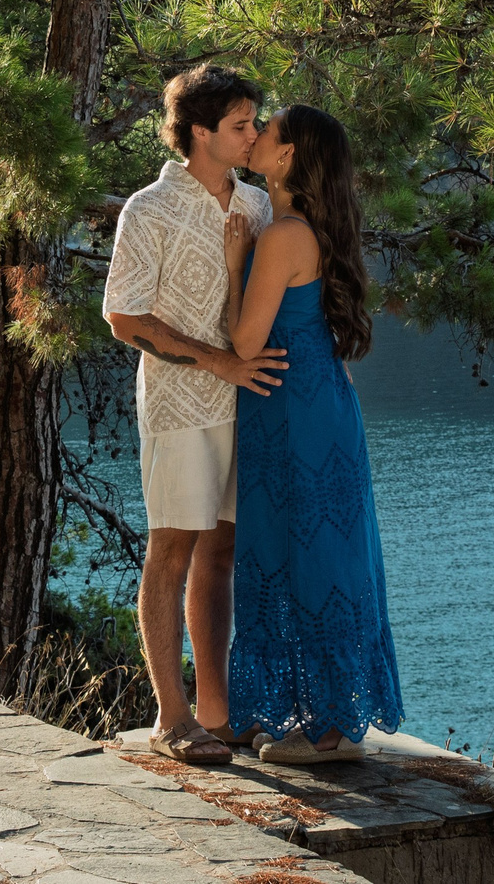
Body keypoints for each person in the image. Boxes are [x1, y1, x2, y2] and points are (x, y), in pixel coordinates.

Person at [103, 64, 288, 765]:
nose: (253, 134)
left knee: (224, 551)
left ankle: (218, 712)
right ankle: (171, 716)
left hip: (251, 407)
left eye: (254, 122)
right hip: (180, 407)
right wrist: (220, 364)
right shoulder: (147, 209)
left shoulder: (258, 205)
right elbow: (124, 317)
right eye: (240, 124)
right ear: (200, 132)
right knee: (172, 549)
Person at [220, 103, 403, 762]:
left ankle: (328, 734)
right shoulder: (303, 226)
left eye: (267, 129)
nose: (257, 132)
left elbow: (245, 339)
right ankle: (328, 720)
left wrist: (236, 255)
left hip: (293, 414)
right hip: (312, 403)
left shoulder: (280, 234)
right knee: (323, 552)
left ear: (290, 154)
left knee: (307, 555)